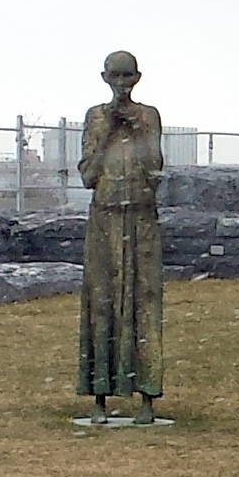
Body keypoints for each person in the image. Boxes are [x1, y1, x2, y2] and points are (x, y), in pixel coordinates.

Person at [77, 51, 167, 422]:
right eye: (115, 76)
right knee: (101, 302)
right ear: (104, 77)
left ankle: (146, 394)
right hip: (105, 219)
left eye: (127, 76)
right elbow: (87, 175)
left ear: (138, 78)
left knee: (144, 304)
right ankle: (99, 395)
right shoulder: (95, 117)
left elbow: (154, 168)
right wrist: (109, 130)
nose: (122, 83)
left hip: (141, 220)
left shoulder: (149, 116)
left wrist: (136, 129)